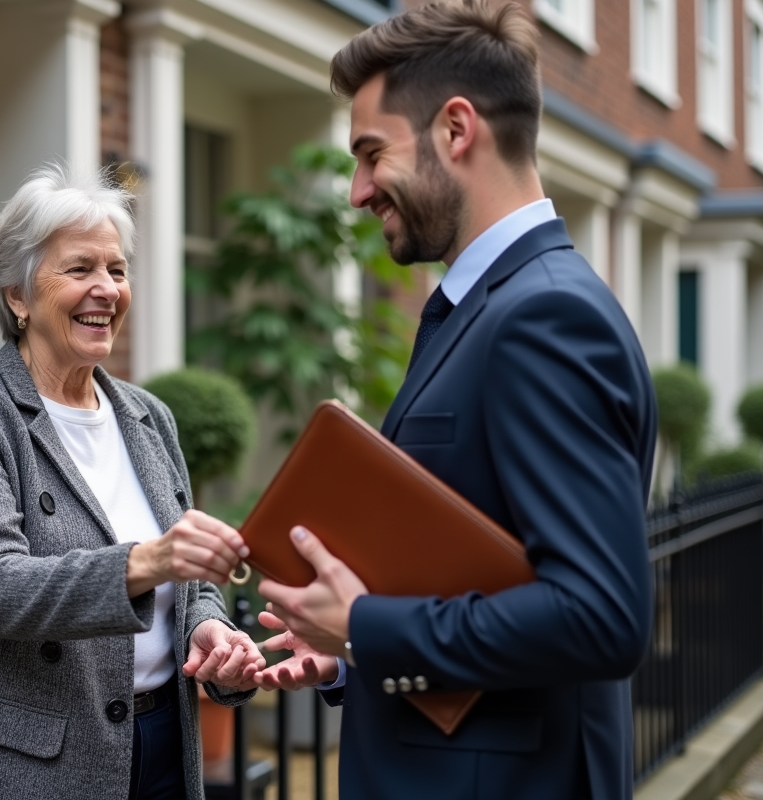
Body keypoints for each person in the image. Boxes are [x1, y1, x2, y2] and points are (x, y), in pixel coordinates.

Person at [253, 3, 657, 799]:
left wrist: (368, 626)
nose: (358, 191)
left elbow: (601, 615)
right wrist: (353, 649)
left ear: (456, 128)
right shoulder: (482, 307)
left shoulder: (544, 317)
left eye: (372, 154)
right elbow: (482, 565)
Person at [0, 165, 264, 800]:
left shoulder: (148, 416)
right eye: (80, 270)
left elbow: (186, 577)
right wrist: (149, 560)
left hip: (164, 743)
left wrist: (207, 629)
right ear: (17, 296)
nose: (106, 289)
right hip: (27, 763)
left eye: (118, 270)